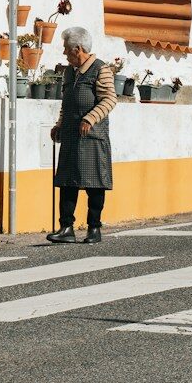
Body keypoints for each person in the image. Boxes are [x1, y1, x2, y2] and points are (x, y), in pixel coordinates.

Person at [47, 26, 116, 244]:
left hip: (92, 135)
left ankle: (94, 228)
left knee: (94, 183)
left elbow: (109, 99)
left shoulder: (100, 69)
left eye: (66, 49)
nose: (64, 53)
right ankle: (66, 228)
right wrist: (59, 125)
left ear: (77, 49)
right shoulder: (69, 72)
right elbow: (66, 104)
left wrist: (90, 118)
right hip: (70, 134)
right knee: (67, 182)